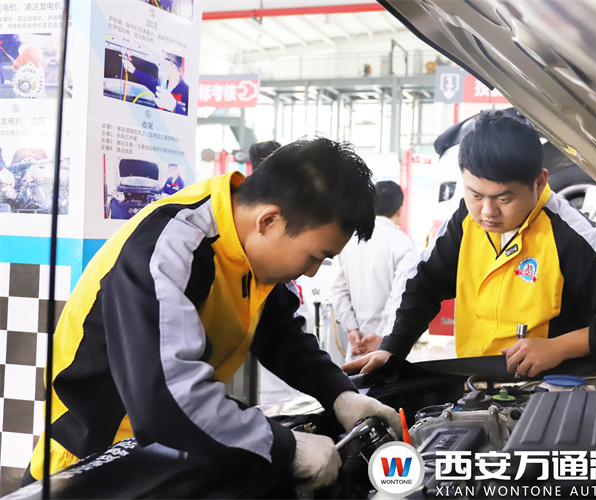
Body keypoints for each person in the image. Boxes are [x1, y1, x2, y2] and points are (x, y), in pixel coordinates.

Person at [25, 138, 401, 491]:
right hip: (93, 463)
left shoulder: (248, 247)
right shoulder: (170, 248)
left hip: (172, 453)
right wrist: (286, 447)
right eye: (315, 256)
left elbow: (280, 334)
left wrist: (340, 395)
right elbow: (165, 398)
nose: (313, 272)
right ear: (269, 221)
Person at [343, 110, 596, 378]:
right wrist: (391, 349)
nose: (487, 212)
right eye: (475, 194)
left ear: (539, 182)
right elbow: (422, 284)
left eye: (503, 198)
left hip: (549, 393)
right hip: (475, 385)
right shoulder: (465, 221)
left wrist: (558, 347)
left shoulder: (573, 237)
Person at [331, 181, 418, 360]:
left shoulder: (349, 240)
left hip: (357, 346)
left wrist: (351, 329)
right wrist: (380, 334)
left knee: (355, 378)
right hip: (389, 347)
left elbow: (337, 289)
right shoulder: (403, 244)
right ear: (400, 210)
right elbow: (401, 294)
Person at [123, 51, 189, 115]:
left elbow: (188, 120)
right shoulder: (161, 85)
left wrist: (173, 107)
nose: (162, 64)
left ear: (171, 64)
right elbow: (146, 79)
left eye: (163, 61)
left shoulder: (187, 92)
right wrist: (132, 69)